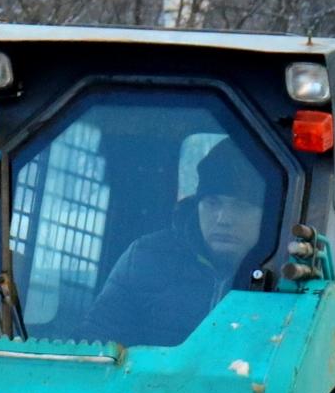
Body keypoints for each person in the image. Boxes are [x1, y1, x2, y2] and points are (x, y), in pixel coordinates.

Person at [79, 137, 272, 344]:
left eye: (241, 206)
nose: (223, 219)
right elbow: (96, 347)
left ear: (269, 213)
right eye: (212, 203)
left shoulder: (291, 272)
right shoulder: (146, 259)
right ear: (197, 203)